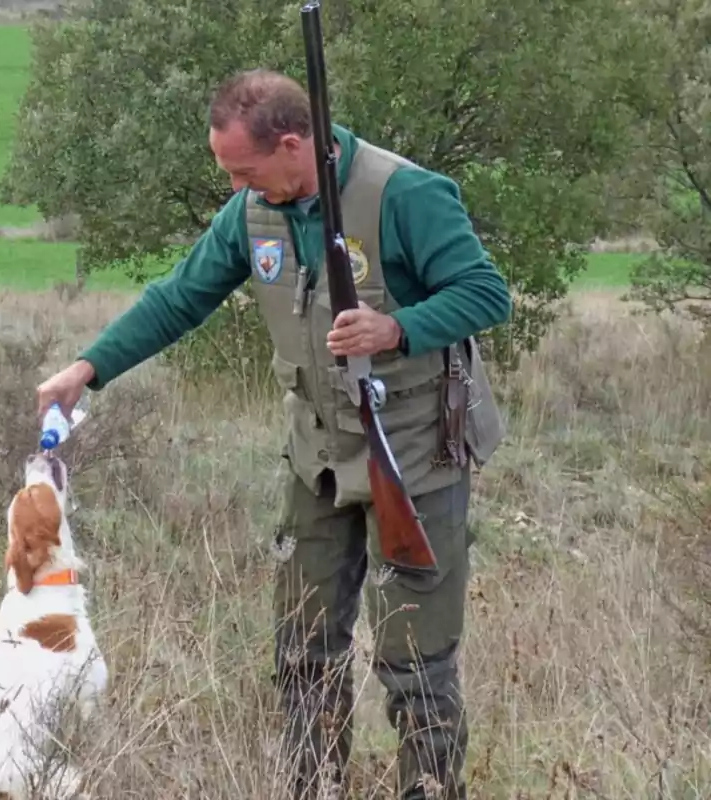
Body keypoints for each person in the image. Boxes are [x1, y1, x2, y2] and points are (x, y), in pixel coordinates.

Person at [34, 68, 512, 800]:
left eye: (244, 170)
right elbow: (179, 297)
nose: (235, 188)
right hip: (316, 458)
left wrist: (398, 326)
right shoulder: (254, 210)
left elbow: (486, 293)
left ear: (293, 144)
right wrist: (89, 368)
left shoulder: (406, 193)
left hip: (415, 452)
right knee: (302, 650)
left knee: (416, 660)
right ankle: (312, 787)